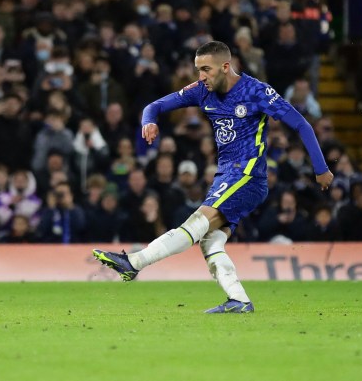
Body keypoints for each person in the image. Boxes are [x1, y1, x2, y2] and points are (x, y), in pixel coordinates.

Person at [94, 41, 332, 313]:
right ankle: (239, 299)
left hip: (248, 174)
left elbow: (301, 124)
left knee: (198, 221)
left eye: (206, 69)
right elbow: (155, 106)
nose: (200, 77)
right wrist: (148, 121)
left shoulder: (257, 92)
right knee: (210, 240)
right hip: (225, 176)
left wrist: (320, 168)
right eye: (198, 70)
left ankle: (134, 262)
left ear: (226, 67)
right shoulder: (202, 91)